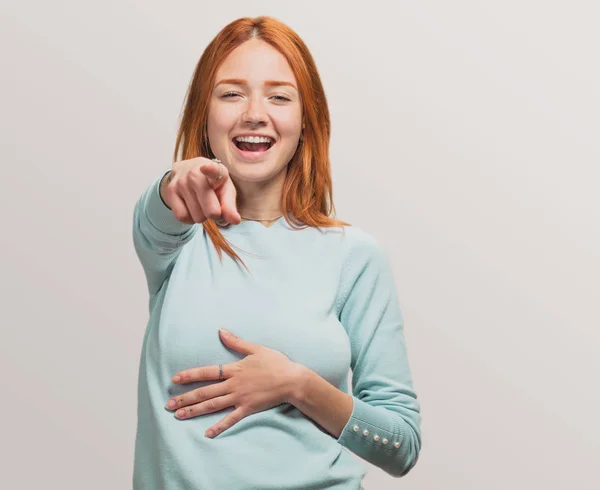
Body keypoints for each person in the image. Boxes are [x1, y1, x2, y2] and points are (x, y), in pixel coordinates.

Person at [132, 15, 421, 490]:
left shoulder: (354, 256)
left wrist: (296, 384)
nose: (254, 113)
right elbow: (161, 207)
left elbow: (402, 443)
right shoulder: (174, 241)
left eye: (279, 96)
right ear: (203, 116)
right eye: (231, 93)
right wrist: (173, 182)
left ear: (306, 120)